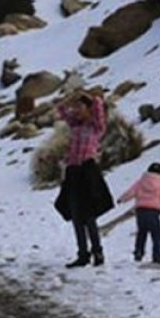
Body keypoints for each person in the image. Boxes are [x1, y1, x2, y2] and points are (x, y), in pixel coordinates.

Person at [53, 89, 114, 268]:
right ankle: (82, 254)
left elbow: (98, 104)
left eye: (80, 107)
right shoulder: (75, 125)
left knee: (89, 216)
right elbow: (61, 109)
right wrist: (70, 98)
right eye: (76, 107)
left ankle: (97, 252)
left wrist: (86, 95)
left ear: (88, 109)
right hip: (73, 173)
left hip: (88, 172)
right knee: (76, 216)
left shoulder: (96, 127)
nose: (77, 110)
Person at [117, 162, 160, 265]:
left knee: (141, 233)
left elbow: (131, 191)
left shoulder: (141, 182)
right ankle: (157, 255)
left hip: (141, 211)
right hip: (153, 212)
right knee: (156, 235)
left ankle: (139, 252)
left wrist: (122, 199)